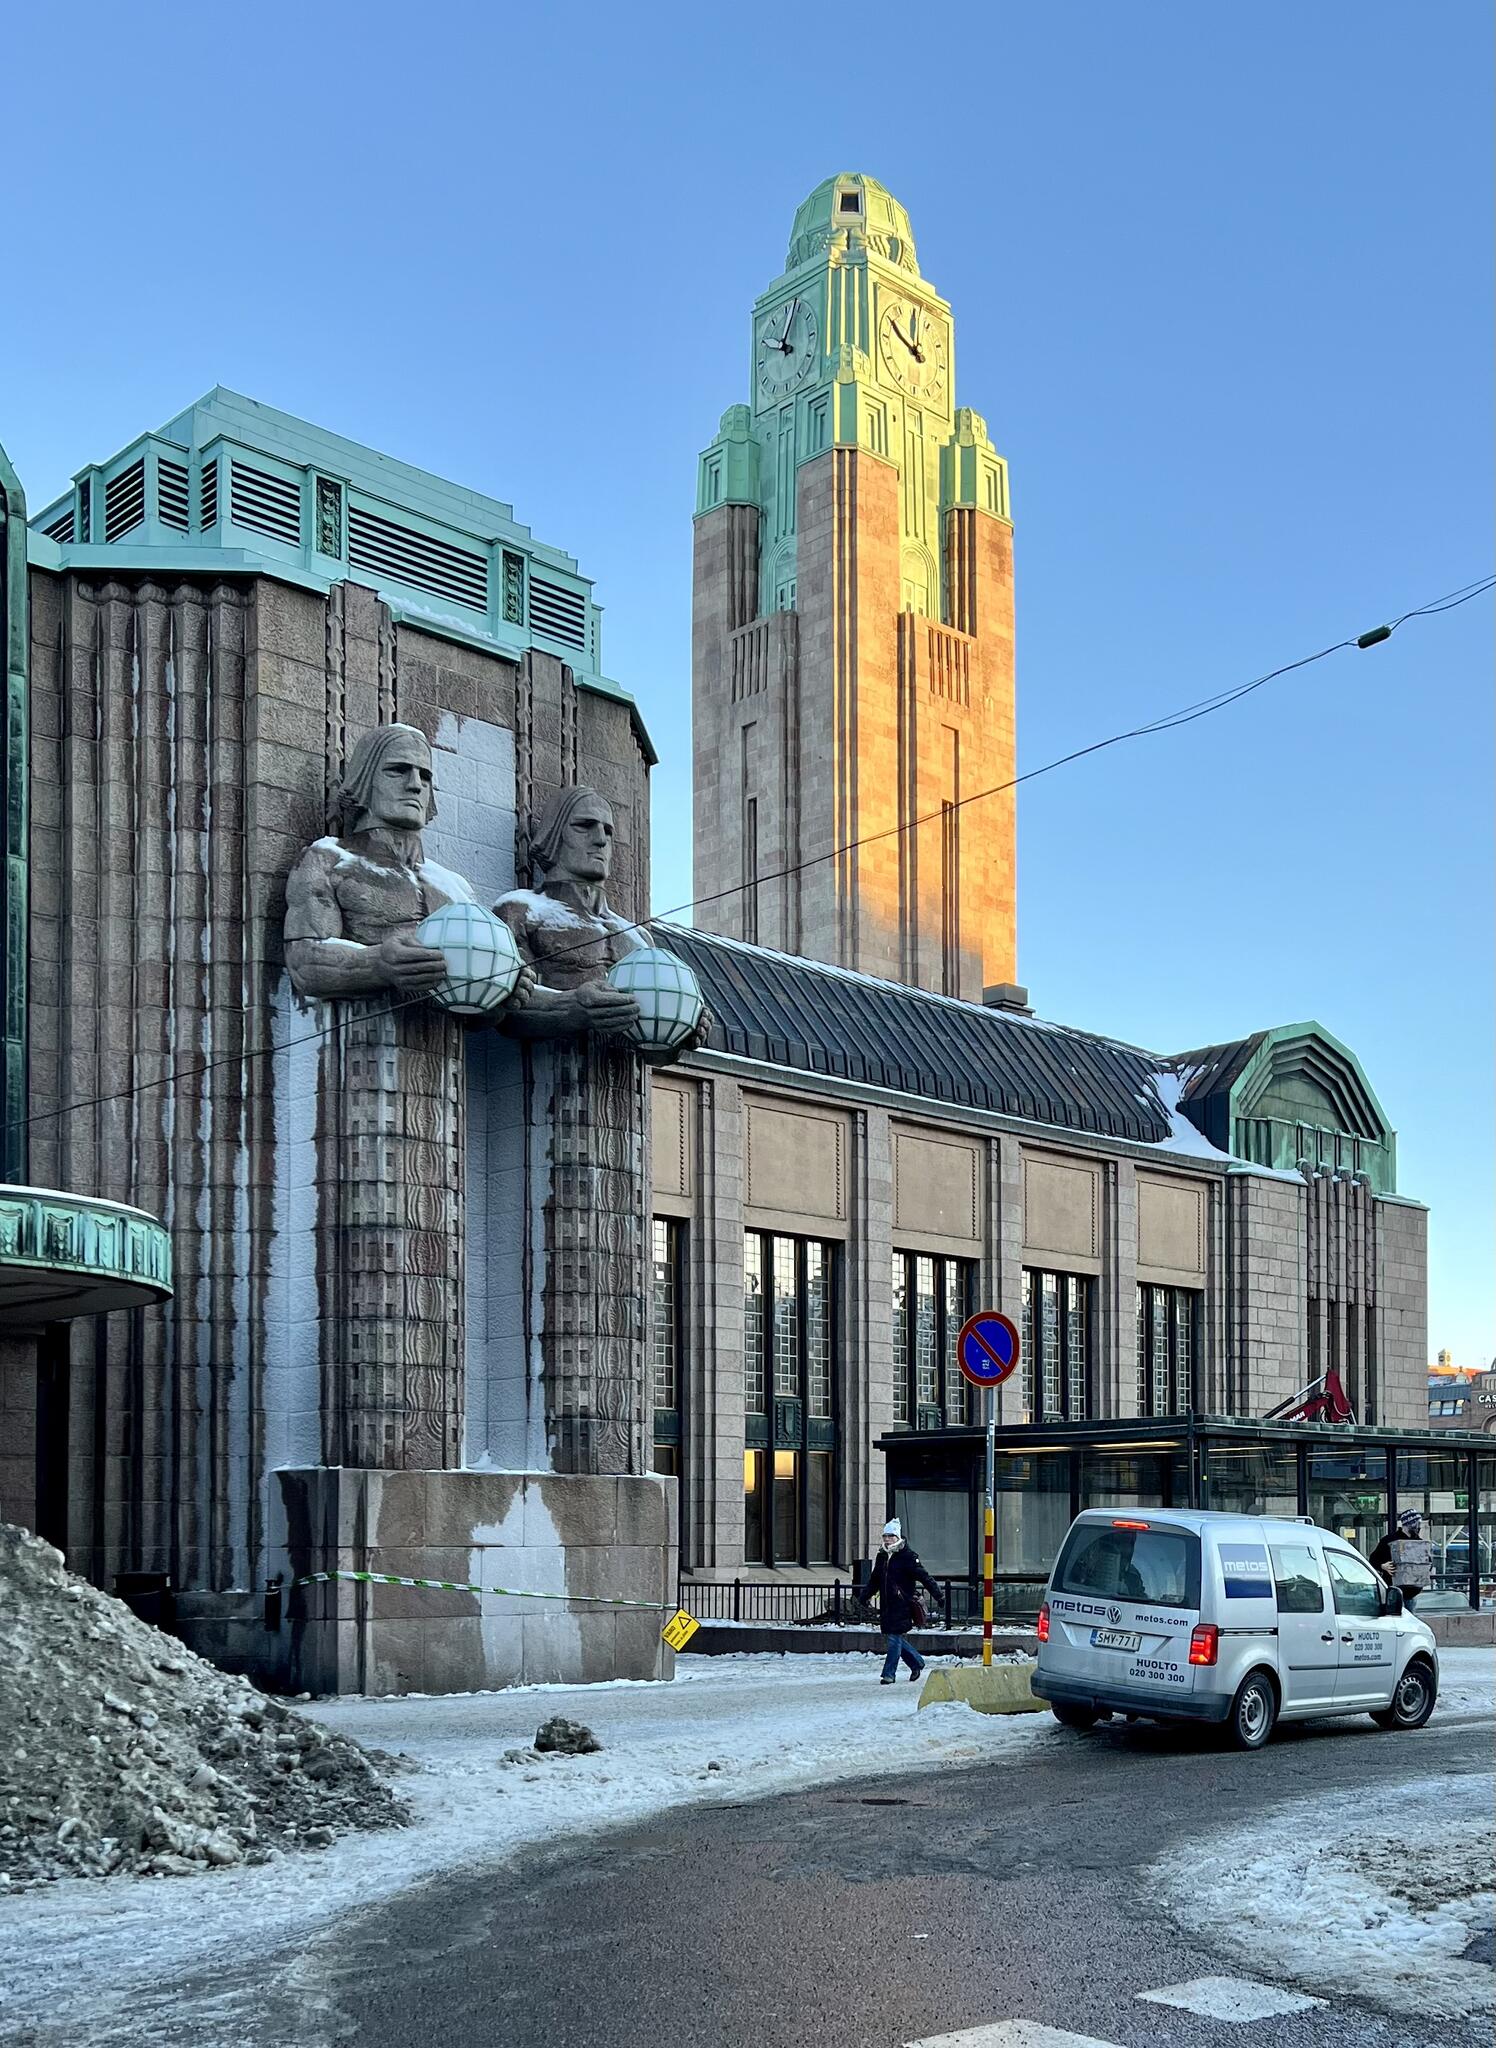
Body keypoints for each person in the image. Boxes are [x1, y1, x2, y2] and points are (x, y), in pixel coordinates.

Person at [856, 1519, 943, 1684]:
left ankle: (889, 1674)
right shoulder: (882, 1556)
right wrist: (864, 1596)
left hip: (902, 1604)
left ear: (897, 1537)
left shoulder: (908, 1557)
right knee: (894, 1638)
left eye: (890, 1536)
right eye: (885, 1536)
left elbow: (925, 1577)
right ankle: (917, 1662)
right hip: (887, 1605)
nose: (887, 1539)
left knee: (894, 1638)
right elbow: (875, 1579)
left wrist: (938, 1596)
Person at [1370, 1509, 1433, 1606]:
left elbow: (1429, 1563)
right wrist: (1383, 1566)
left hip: (1412, 1594)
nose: (1418, 1527)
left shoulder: (1420, 1542)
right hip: (1394, 1592)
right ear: (1407, 1524)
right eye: (1416, 1524)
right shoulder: (1389, 1540)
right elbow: (1373, 1559)